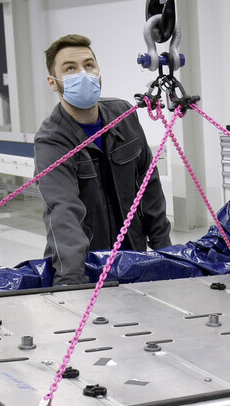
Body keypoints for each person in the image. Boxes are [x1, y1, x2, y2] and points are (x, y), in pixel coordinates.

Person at [34, 33, 172, 285]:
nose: (83, 74)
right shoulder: (52, 140)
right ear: (53, 82)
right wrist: (70, 281)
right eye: (70, 68)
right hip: (87, 264)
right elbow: (63, 212)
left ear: (98, 71)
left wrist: (165, 252)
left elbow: (148, 185)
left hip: (133, 256)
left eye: (89, 65)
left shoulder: (123, 114)